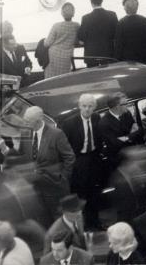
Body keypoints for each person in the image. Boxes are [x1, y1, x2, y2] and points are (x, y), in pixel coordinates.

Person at [23, 105, 76, 226]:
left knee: (60, 221)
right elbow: (24, 157)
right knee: (43, 221)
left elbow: (70, 157)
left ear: (38, 120)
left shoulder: (56, 134)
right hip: (36, 189)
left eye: (28, 121)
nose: (25, 123)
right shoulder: (25, 134)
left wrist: (63, 178)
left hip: (55, 188)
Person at [61, 94, 104, 229]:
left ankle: (95, 223)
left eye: (90, 106)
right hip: (78, 161)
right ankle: (81, 227)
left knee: (94, 193)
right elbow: (63, 146)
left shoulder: (97, 118)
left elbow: (99, 138)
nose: (87, 109)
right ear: (79, 106)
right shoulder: (69, 123)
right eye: (84, 106)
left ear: (94, 108)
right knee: (80, 195)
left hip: (94, 159)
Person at [77, 0, 118, 67]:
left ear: (91, 2)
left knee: (93, 76)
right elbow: (117, 34)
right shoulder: (112, 15)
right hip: (108, 55)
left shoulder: (86, 18)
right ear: (102, 1)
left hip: (91, 56)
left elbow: (81, 39)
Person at [115, 0, 146, 65]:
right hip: (145, 56)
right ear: (137, 8)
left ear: (125, 9)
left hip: (129, 60)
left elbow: (119, 45)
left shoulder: (120, 24)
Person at [44, 2, 80, 78]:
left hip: (53, 56)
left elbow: (47, 43)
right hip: (67, 57)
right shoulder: (76, 26)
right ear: (73, 13)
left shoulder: (56, 26)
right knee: (64, 78)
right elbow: (78, 40)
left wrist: (43, 40)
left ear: (62, 14)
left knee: (51, 79)